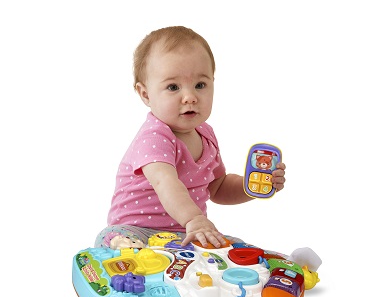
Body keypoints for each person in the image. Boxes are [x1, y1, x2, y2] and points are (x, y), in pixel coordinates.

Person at [95, 26, 286, 250]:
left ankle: (281, 264)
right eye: (173, 87)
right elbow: (165, 182)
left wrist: (250, 185)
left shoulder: (206, 134)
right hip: (137, 231)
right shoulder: (154, 136)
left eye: (200, 85)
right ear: (145, 94)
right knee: (113, 239)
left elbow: (218, 187)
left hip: (184, 233)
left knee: (237, 247)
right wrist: (195, 219)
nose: (190, 97)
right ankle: (125, 253)